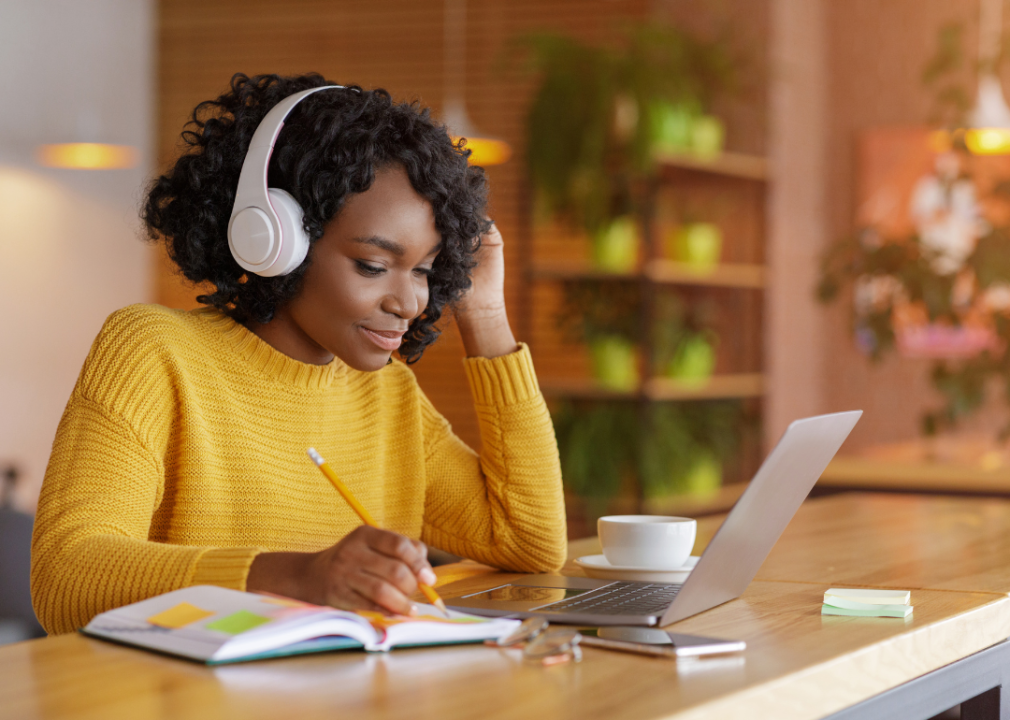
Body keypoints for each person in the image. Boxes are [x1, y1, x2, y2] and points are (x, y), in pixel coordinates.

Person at [30, 73, 567, 635]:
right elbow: (66, 577)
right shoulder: (153, 352)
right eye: (374, 266)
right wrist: (295, 578)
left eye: (427, 271)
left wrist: (483, 313)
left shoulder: (387, 393)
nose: (408, 301)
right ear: (276, 239)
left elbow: (530, 541)